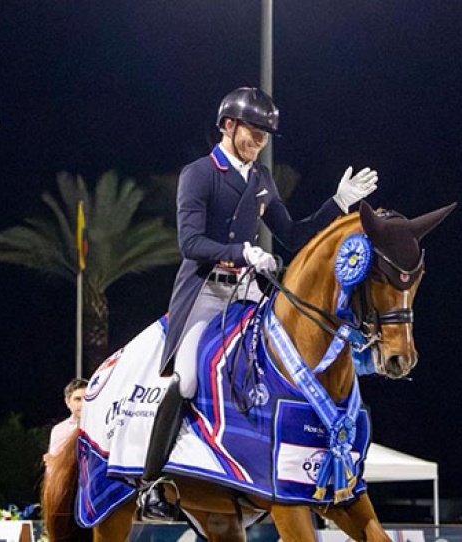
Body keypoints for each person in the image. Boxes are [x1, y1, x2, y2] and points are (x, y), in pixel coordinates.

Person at [136, 86, 379, 521]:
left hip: (248, 291)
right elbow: (190, 242)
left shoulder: (262, 179)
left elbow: (293, 234)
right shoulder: (199, 173)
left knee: (281, 360)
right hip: (205, 293)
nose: (260, 141)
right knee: (188, 376)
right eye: (254, 131)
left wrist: (338, 204)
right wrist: (241, 253)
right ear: (228, 126)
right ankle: (152, 483)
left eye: (266, 135)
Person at [44, 377, 88, 466]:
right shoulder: (59, 430)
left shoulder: (102, 426)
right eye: (77, 399)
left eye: (86, 399)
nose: (83, 404)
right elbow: (54, 465)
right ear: (68, 402)